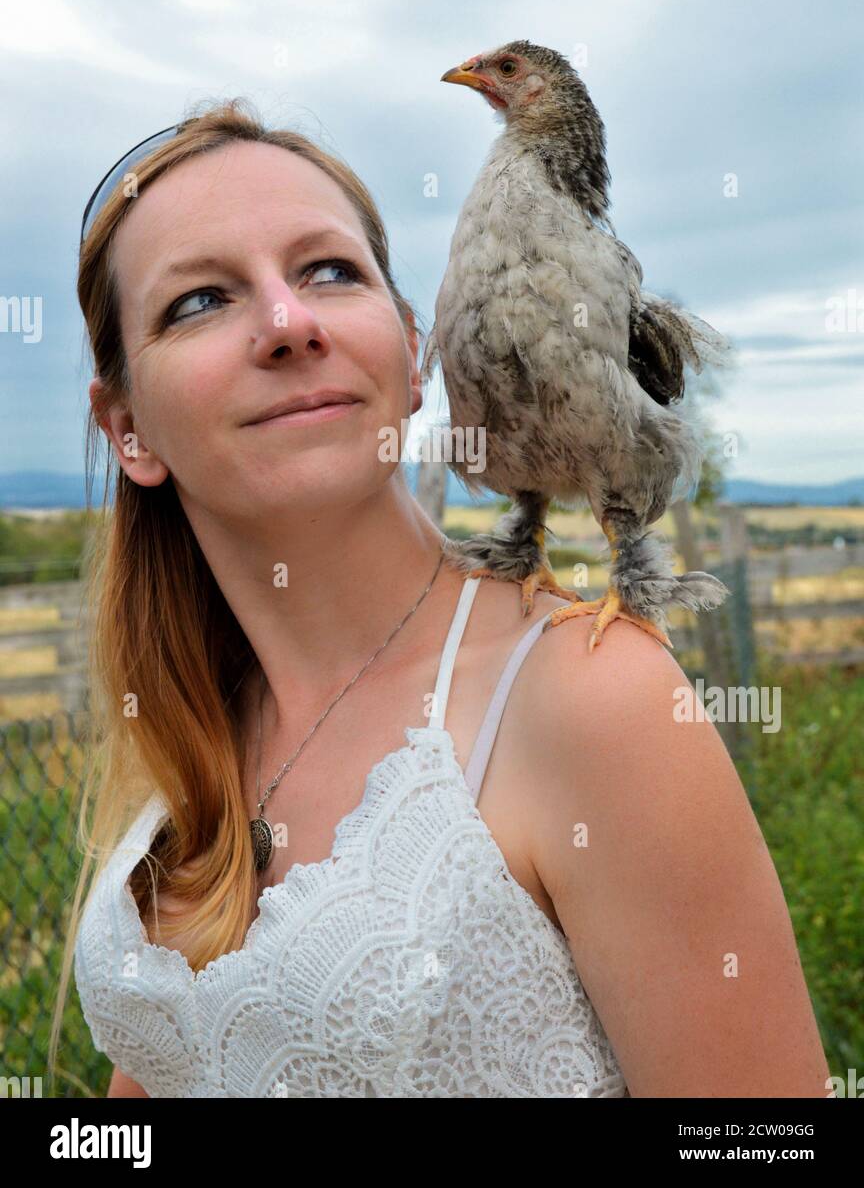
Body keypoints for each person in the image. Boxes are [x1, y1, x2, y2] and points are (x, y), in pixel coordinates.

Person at [51, 98, 829, 1098]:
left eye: (327, 270)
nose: (289, 324)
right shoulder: (196, 729)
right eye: (199, 300)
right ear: (127, 431)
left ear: (414, 352)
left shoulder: (592, 700)